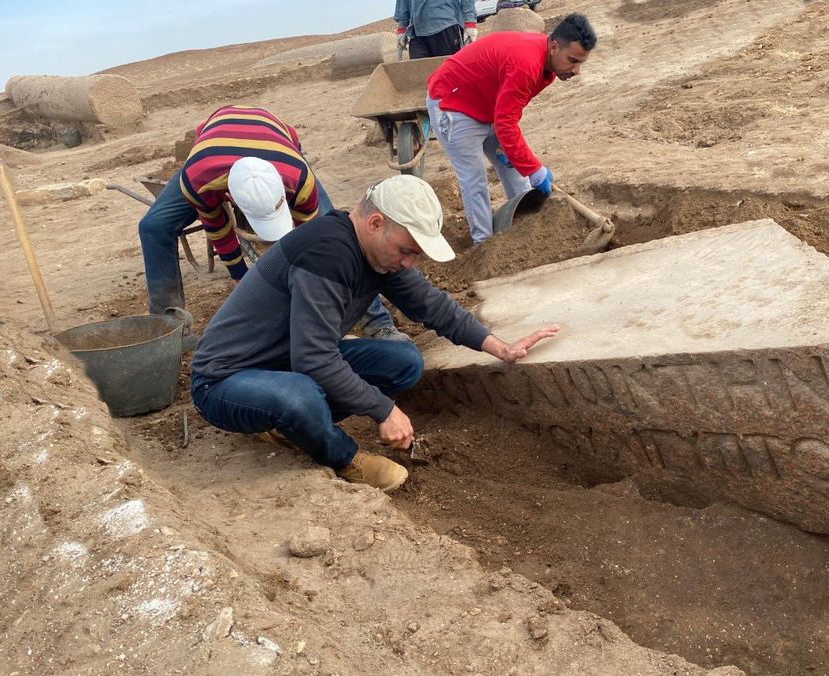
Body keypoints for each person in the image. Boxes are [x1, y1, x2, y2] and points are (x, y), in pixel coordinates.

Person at [190, 175, 558, 492]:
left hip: (284, 365)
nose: (408, 263)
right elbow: (314, 358)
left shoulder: (378, 253)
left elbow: (431, 304)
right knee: (299, 395)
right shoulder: (326, 254)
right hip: (225, 382)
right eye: (406, 251)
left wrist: (499, 347)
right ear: (376, 223)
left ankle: (292, 427)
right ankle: (343, 457)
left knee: (404, 361)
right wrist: (384, 411)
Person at [137, 104, 404, 340]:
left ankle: (378, 323)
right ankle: (170, 331)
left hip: (278, 140)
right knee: (152, 228)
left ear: (281, 189)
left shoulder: (299, 178)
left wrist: (305, 286)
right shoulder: (198, 179)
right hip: (212, 149)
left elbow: (313, 240)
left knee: (337, 233)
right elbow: (217, 228)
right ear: (228, 197)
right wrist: (239, 276)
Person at [425, 13, 597, 245]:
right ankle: (484, 246)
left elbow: (508, 115)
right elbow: (506, 123)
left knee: (517, 173)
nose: (576, 71)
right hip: (452, 103)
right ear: (554, 46)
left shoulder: (548, 65)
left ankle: (527, 231)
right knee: (474, 179)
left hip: (487, 108)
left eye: (580, 63)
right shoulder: (527, 64)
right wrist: (535, 168)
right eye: (573, 60)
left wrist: (519, 158)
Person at [395, 0, 478, 60]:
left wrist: (470, 21)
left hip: (446, 25)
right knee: (420, 76)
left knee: (451, 75)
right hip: (417, 31)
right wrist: (402, 28)